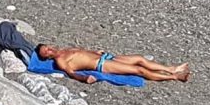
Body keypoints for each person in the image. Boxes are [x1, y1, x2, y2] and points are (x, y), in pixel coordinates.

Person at [34, 44, 189, 83]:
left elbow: (83, 53)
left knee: (140, 59)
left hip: (106, 57)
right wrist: (85, 79)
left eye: (46, 47)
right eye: (45, 52)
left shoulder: (64, 50)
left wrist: (97, 51)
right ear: (47, 58)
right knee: (138, 70)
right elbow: (71, 73)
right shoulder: (60, 61)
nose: (48, 50)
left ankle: (171, 68)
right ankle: (175, 77)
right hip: (102, 65)